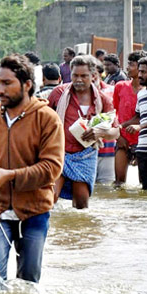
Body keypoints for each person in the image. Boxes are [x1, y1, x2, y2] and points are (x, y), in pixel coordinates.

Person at [0, 53, 64, 284]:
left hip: (35, 209)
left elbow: (52, 168)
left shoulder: (47, 118)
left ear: (27, 85)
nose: (0, 89)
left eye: (7, 83)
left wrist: (10, 176)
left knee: (29, 281)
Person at [48, 54, 116, 209]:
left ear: (93, 76)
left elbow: (116, 131)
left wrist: (100, 133)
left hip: (86, 155)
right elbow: (43, 119)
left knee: (81, 206)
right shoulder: (59, 93)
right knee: (49, 199)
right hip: (59, 152)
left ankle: (80, 233)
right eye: (75, 75)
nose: (78, 79)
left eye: (83, 76)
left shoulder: (102, 99)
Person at [122, 55, 147, 190]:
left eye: (143, 72)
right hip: (144, 149)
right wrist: (121, 125)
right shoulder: (141, 94)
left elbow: (141, 123)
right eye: (139, 71)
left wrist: (141, 126)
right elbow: (138, 117)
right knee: (146, 189)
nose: (139, 75)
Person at [114, 52, 145, 185]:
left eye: (131, 64)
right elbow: (113, 114)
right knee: (118, 183)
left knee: (145, 184)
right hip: (123, 139)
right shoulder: (120, 86)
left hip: (144, 142)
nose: (127, 67)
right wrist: (118, 137)